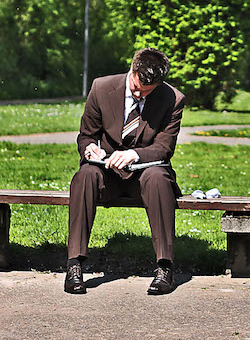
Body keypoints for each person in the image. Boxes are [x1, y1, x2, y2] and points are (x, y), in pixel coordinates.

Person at [65, 47, 186, 296]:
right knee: (85, 176)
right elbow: (86, 134)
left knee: (158, 179)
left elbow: (164, 147)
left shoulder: (173, 100)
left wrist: (135, 154)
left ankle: (165, 267)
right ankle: (74, 264)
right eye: (136, 87)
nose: (139, 93)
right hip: (107, 173)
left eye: (146, 92)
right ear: (132, 69)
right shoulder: (101, 88)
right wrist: (89, 149)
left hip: (145, 174)